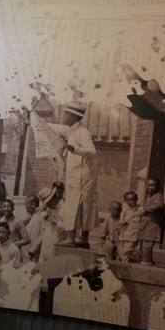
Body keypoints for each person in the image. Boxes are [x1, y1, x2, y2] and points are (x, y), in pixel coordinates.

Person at [51, 103, 97, 247]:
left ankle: (74, 239)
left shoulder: (83, 132)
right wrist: (34, 121)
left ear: (73, 116)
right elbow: (53, 128)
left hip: (82, 177)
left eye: (66, 114)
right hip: (75, 175)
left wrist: (75, 149)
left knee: (80, 205)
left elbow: (92, 151)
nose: (63, 116)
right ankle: (81, 239)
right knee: (78, 204)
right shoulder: (71, 131)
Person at [137, 178, 165, 266]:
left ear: (158, 187)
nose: (150, 187)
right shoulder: (148, 196)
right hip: (146, 222)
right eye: (148, 185)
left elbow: (159, 205)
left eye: (153, 185)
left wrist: (147, 209)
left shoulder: (158, 196)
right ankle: (145, 258)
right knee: (143, 242)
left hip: (152, 223)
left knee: (148, 242)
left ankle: (146, 261)